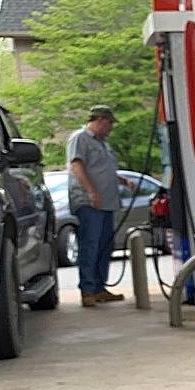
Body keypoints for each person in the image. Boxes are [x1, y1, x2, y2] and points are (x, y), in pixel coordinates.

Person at [66, 105, 124, 308]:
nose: (111, 128)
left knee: (104, 245)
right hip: (90, 202)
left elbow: (102, 168)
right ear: (100, 120)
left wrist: (123, 180)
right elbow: (77, 166)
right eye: (109, 124)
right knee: (90, 245)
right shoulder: (80, 138)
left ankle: (99, 287)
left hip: (107, 203)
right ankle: (88, 289)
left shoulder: (102, 143)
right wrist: (91, 191)